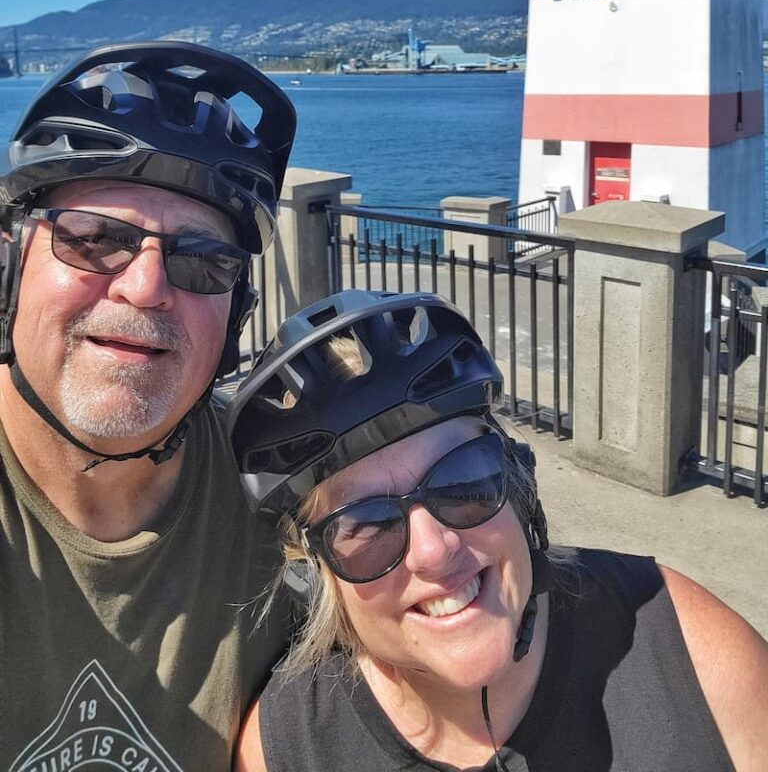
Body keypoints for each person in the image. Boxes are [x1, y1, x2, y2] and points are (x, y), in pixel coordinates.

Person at [230, 289, 768, 772]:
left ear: (518, 486)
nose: (435, 551)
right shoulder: (285, 751)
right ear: (316, 575)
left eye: (462, 483)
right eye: (368, 526)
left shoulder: (689, 652)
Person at [0, 41, 297, 769]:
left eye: (203, 261)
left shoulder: (290, 487)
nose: (145, 288)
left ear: (237, 311)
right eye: (96, 240)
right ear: (8, 268)